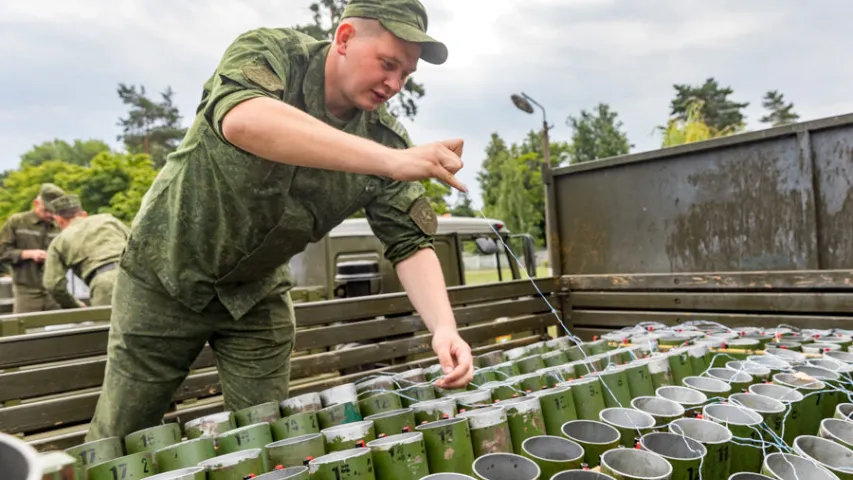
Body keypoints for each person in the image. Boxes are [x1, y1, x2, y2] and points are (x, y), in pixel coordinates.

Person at [85, 0, 474, 441]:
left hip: (255, 295)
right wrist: (390, 162)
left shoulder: (384, 140)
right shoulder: (270, 54)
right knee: (120, 437)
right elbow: (244, 120)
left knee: (271, 437)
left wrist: (445, 329)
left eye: (406, 74)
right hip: (165, 276)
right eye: (387, 63)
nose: (394, 84)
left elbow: (409, 242)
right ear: (345, 38)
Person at [41, 194, 130, 308]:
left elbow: (53, 285)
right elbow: (139, 246)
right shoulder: (109, 220)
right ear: (83, 214)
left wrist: (75, 306)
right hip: (133, 276)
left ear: (58, 219)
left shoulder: (59, 241)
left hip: (105, 284)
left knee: (107, 324)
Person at [0, 183, 65, 313]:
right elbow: (2, 253)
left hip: (53, 291)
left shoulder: (59, 227)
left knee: (62, 328)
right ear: (36, 203)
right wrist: (27, 254)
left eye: (53, 212)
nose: (49, 215)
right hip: (26, 291)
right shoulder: (17, 222)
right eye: (46, 210)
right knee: (23, 328)